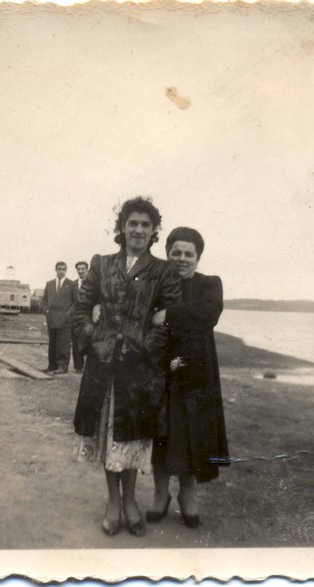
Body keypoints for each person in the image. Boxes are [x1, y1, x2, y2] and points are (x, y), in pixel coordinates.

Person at [73, 196, 181, 537]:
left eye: (145, 225)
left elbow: (170, 321)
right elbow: (80, 308)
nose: (138, 229)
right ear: (121, 227)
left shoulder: (164, 270)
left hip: (140, 369)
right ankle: (112, 503)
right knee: (107, 434)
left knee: (132, 437)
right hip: (103, 367)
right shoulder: (102, 264)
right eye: (132, 223)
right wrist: (94, 338)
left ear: (153, 232)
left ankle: (131, 501)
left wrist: (146, 349)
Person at [146, 226, 230, 528]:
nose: (181, 259)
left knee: (192, 435)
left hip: (197, 374)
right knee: (161, 433)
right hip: (161, 372)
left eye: (188, 254)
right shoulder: (156, 284)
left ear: (198, 257)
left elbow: (209, 312)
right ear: (168, 254)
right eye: (176, 253)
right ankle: (159, 495)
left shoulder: (210, 284)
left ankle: (187, 496)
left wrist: (167, 314)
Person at [42, 262, 75, 374]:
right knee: (52, 343)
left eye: (63, 269)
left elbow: (76, 302)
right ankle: (52, 366)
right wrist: (46, 310)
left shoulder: (71, 284)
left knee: (63, 343)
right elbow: (44, 301)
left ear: (66, 270)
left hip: (64, 319)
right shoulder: (49, 284)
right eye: (59, 269)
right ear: (55, 270)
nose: (61, 271)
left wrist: (69, 313)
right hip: (51, 318)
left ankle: (62, 366)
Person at [71, 261, 89, 373]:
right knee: (76, 341)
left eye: (83, 269)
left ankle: (90, 366)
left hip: (88, 316)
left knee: (89, 340)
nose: (81, 271)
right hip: (76, 317)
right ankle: (78, 366)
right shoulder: (73, 284)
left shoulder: (93, 283)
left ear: (87, 270)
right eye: (79, 269)